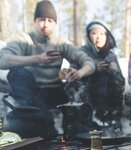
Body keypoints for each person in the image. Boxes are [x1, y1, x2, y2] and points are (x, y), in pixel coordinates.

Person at [0, 0, 95, 138]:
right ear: (35, 21)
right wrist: (37, 58)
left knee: (79, 78)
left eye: (50, 20)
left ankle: (77, 131)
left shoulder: (61, 43)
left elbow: (88, 62)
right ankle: (44, 125)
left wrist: (79, 73)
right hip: (31, 93)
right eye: (41, 20)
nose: (45, 24)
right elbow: (2, 59)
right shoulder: (25, 39)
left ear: (55, 23)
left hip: (55, 91)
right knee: (17, 73)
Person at [79, 21, 125, 127]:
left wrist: (114, 72)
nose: (98, 37)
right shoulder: (81, 53)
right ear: (88, 36)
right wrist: (94, 69)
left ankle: (113, 120)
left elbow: (121, 83)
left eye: (102, 34)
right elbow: (74, 81)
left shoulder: (111, 56)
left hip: (110, 106)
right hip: (88, 104)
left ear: (106, 36)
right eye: (94, 33)